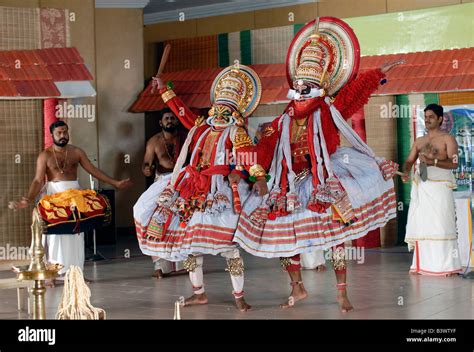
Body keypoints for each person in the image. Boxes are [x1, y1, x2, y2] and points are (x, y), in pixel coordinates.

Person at [233, 17, 402, 312]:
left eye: (307, 85)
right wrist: (249, 165)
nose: (301, 89)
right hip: (288, 184)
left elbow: (353, 93)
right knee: (283, 239)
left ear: (319, 87)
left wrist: (376, 74)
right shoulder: (281, 121)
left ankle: (341, 292)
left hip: (324, 178)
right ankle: (297, 287)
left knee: (336, 234)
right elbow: (263, 150)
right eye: (298, 84)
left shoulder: (329, 110)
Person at [133, 65, 267, 311]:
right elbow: (181, 111)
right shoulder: (201, 126)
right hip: (192, 188)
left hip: (220, 190)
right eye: (218, 106)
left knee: (229, 247)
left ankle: (238, 295)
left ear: (234, 110)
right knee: (190, 245)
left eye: (226, 108)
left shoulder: (237, 132)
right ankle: (199, 293)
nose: (219, 112)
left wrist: (254, 177)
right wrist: (164, 89)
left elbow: (248, 159)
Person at [9, 121, 132, 285]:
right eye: (59, 133)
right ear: (52, 135)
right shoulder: (45, 155)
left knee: (76, 235)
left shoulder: (76, 152)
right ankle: (51, 274)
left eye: (65, 132)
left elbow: (93, 170)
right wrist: (28, 199)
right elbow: (38, 180)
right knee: (54, 237)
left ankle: (77, 274)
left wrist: (114, 183)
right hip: (54, 197)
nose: (62, 136)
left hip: (75, 197)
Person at [402, 103, 462, 276]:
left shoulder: (448, 139)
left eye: (431, 117)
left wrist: (433, 162)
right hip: (423, 187)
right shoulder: (420, 141)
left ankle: (447, 266)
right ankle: (422, 266)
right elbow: (409, 161)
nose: (427, 120)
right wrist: (406, 172)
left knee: (442, 224)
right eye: (425, 116)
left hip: (441, 186)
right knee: (423, 224)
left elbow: (454, 162)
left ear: (440, 119)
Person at [140, 108, 187, 279]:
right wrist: (147, 169)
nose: (170, 121)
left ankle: (186, 263)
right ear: (161, 122)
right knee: (157, 222)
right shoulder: (154, 142)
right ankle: (160, 265)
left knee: (183, 221)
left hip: (183, 182)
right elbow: (146, 164)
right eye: (167, 118)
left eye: (173, 118)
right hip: (162, 184)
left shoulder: (185, 138)